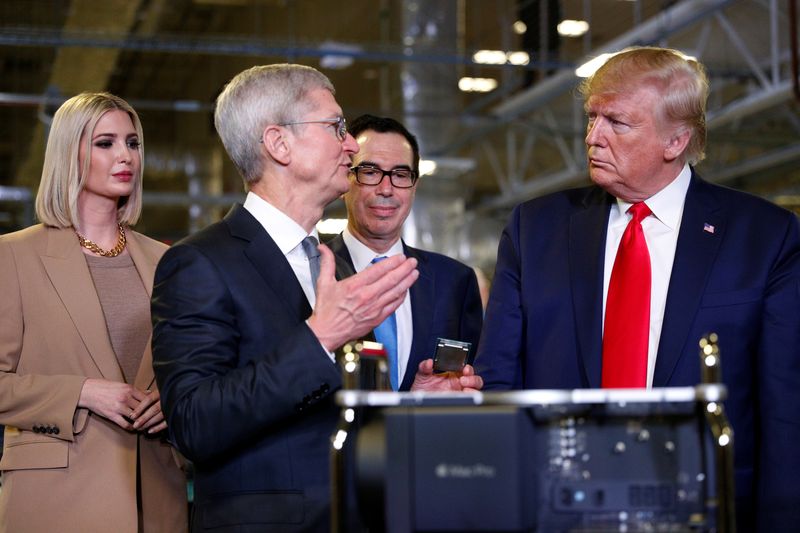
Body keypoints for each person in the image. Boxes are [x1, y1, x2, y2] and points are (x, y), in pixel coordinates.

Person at [474, 46, 800, 531]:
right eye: (592, 117)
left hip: (707, 509)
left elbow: (784, 410)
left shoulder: (765, 238)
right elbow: (498, 383)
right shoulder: (534, 230)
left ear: (676, 140)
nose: (592, 137)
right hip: (557, 511)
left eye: (617, 123)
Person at [151, 64, 442, 532]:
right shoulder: (199, 263)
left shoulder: (332, 263)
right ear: (278, 143)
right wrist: (319, 335)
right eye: (336, 127)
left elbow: (339, 413)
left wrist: (407, 401)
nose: (351, 145)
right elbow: (194, 423)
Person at [0, 92, 187, 533]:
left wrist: (174, 401)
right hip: (56, 500)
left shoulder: (167, 262)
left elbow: (190, 368)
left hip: (157, 497)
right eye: (105, 143)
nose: (125, 156)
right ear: (70, 152)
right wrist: (83, 392)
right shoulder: (14, 256)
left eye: (133, 143)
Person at [328, 114, 483, 391]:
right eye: (370, 172)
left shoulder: (455, 282)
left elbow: (471, 385)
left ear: (414, 186)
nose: (386, 189)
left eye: (400, 175)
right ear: (345, 180)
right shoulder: (311, 271)